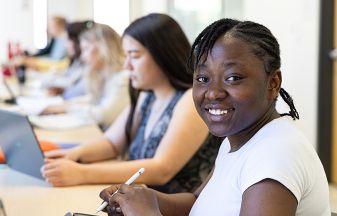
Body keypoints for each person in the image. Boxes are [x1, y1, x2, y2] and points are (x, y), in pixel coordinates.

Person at [99, 18, 331, 215]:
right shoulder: (239, 138)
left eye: (233, 78)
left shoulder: (277, 155)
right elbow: (197, 203)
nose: (213, 93)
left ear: (273, 83)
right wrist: (144, 198)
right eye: (203, 78)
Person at [41, 13, 221, 194]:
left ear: (163, 55)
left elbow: (161, 170)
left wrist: (82, 173)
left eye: (134, 56)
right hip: (140, 202)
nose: (127, 66)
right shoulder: (147, 95)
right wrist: (73, 155)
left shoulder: (190, 100)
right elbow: (112, 143)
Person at [41, 22, 129, 128]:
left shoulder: (123, 78)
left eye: (86, 49)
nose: (82, 57)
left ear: (103, 48)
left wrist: (66, 107)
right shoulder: (101, 75)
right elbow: (92, 100)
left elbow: (105, 114)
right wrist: (64, 105)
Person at [44, 20, 92, 99]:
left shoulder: (88, 66)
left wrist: (63, 91)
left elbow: (77, 90)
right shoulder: (76, 61)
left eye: (68, 40)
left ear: (77, 42)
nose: (65, 45)